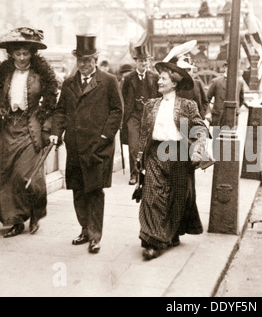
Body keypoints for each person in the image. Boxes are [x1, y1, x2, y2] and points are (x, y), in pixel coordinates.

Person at [49, 35, 123, 254]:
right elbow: (61, 110)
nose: (83, 64)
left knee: (94, 190)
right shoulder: (69, 82)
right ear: (76, 60)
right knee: (78, 190)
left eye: (88, 60)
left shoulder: (108, 81)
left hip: (97, 147)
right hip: (75, 146)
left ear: (95, 59)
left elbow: (117, 110)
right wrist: (56, 132)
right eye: (80, 60)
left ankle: (95, 236)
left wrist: (104, 137)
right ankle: (84, 230)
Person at [137, 60, 207, 260]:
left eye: (163, 78)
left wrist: (199, 146)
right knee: (151, 195)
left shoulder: (187, 105)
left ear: (174, 83)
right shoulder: (150, 105)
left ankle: (171, 233)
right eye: (159, 78)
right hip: (155, 153)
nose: (159, 81)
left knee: (175, 198)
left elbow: (199, 127)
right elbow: (144, 133)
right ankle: (152, 241)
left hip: (178, 154)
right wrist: (140, 157)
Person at [0, 27, 59, 238]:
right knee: (7, 175)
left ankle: (36, 213)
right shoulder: (4, 73)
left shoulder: (40, 74)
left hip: (30, 127)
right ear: (11, 54)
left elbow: (52, 104)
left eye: (26, 53)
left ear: (32, 54)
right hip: (8, 128)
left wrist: (47, 128)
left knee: (27, 176)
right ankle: (14, 220)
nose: (22, 58)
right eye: (18, 54)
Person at [120, 45, 160, 185]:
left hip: (150, 116)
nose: (143, 63)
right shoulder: (128, 78)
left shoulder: (155, 77)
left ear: (148, 62)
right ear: (135, 62)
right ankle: (134, 174)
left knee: (150, 145)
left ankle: (148, 173)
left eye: (145, 61)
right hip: (133, 116)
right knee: (133, 147)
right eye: (140, 61)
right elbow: (122, 97)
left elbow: (161, 95)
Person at [207, 62, 245, 155]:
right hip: (218, 116)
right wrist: (209, 112)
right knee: (217, 140)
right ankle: (217, 163)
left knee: (231, 140)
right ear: (225, 68)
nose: (230, 69)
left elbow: (241, 99)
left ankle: (226, 164)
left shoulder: (239, 82)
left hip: (232, 116)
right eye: (228, 67)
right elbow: (206, 98)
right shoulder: (216, 81)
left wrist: (236, 110)